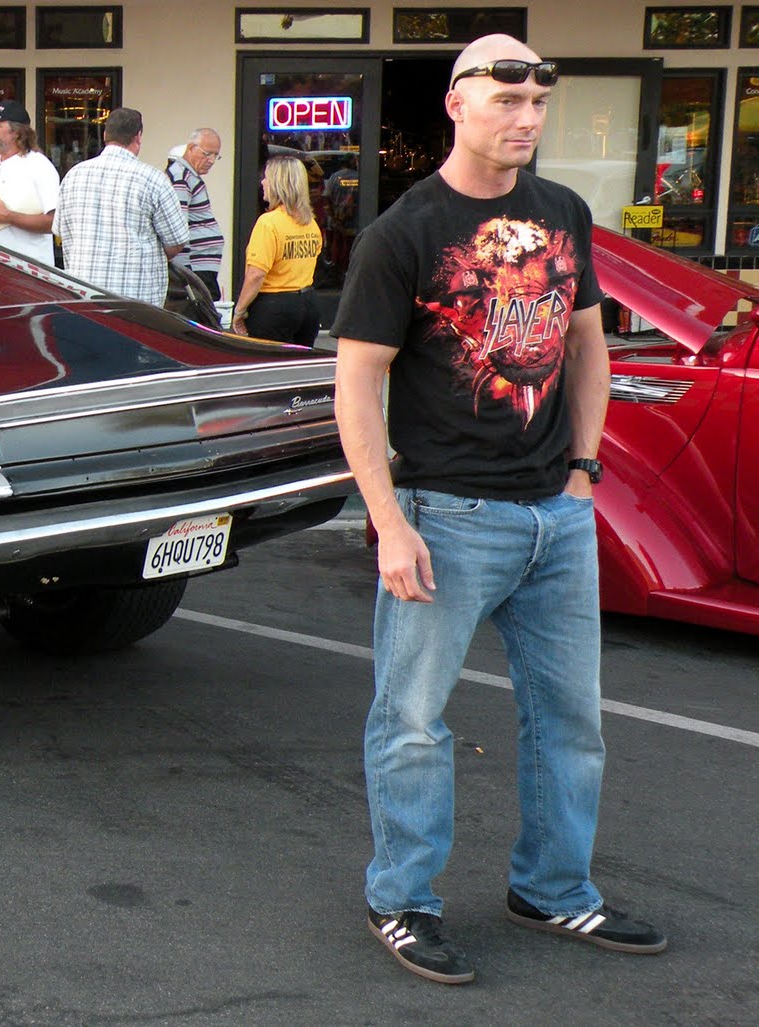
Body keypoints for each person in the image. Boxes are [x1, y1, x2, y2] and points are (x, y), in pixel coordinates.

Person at [330, 34, 666, 986]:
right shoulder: (407, 231)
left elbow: (591, 348)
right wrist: (391, 521)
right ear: (457, 104)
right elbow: (356, 386)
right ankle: (400, 897)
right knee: (412, 721)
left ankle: (555, 887)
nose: (525, 118)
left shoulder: (563, 213)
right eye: (505, 99)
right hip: (448, 517)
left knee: (571, 720)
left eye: (537, 104)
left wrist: (584, 472)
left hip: (554, 518)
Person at [54, 107, 187, 306]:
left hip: (83, 294)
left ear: (106, 134)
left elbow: (61, 232)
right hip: (135, 300)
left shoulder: (74, 175)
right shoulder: (153, 179)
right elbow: (177, 240)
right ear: (138, 136)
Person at [231, 155, 322, 344]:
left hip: (274, 307)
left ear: (278, 184)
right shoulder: (310, 222)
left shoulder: (268, 222)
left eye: (266, 177)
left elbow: (256, 274)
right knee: (298, 367)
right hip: (308, 303)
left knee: (266, 367)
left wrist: (239, 310)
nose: (262, 182)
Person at [0, 99, 60, 265]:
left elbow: (55, 222)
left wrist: (10, 217)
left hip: (29, 272)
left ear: (17, 132)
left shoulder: (39, 166)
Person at [165, 128, 225, 300]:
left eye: (216, 155)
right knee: (203, 311)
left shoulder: (187, 175)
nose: (211, 160)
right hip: (194, 263)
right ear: (191, 148)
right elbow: (178, 224)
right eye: (207, 154)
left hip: (199, 262)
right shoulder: (181, 176)